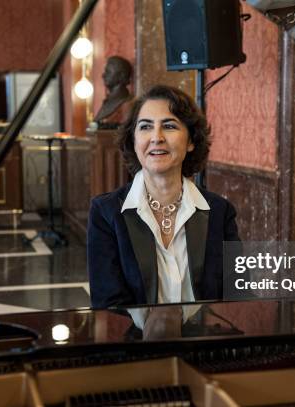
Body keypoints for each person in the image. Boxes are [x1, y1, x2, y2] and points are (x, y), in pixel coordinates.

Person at [87, 84, 240, 309]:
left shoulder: (220, 212)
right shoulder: (105, 213)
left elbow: (237, 296)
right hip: (136, 342)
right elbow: (108, 307)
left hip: (206, 340)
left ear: (190, 141)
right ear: (133, 140)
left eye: (169, 126)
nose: (156, 137)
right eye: (145, 127)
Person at [92, 56, 133, 129]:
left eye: (108, 72)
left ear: (121, 76)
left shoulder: (126, 104)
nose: (103, 75)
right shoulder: (109, 101)